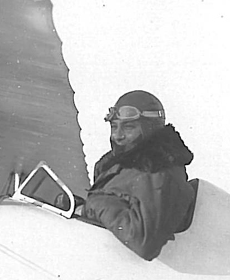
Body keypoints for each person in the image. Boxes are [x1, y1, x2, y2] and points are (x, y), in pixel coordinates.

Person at [82, 90, 196, 260]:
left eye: (128, 127)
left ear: (149, 129)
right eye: (114, 126)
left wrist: (95, 203)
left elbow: (143, 240)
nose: (117, 135)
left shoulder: (158, 172)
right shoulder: (123, 166)